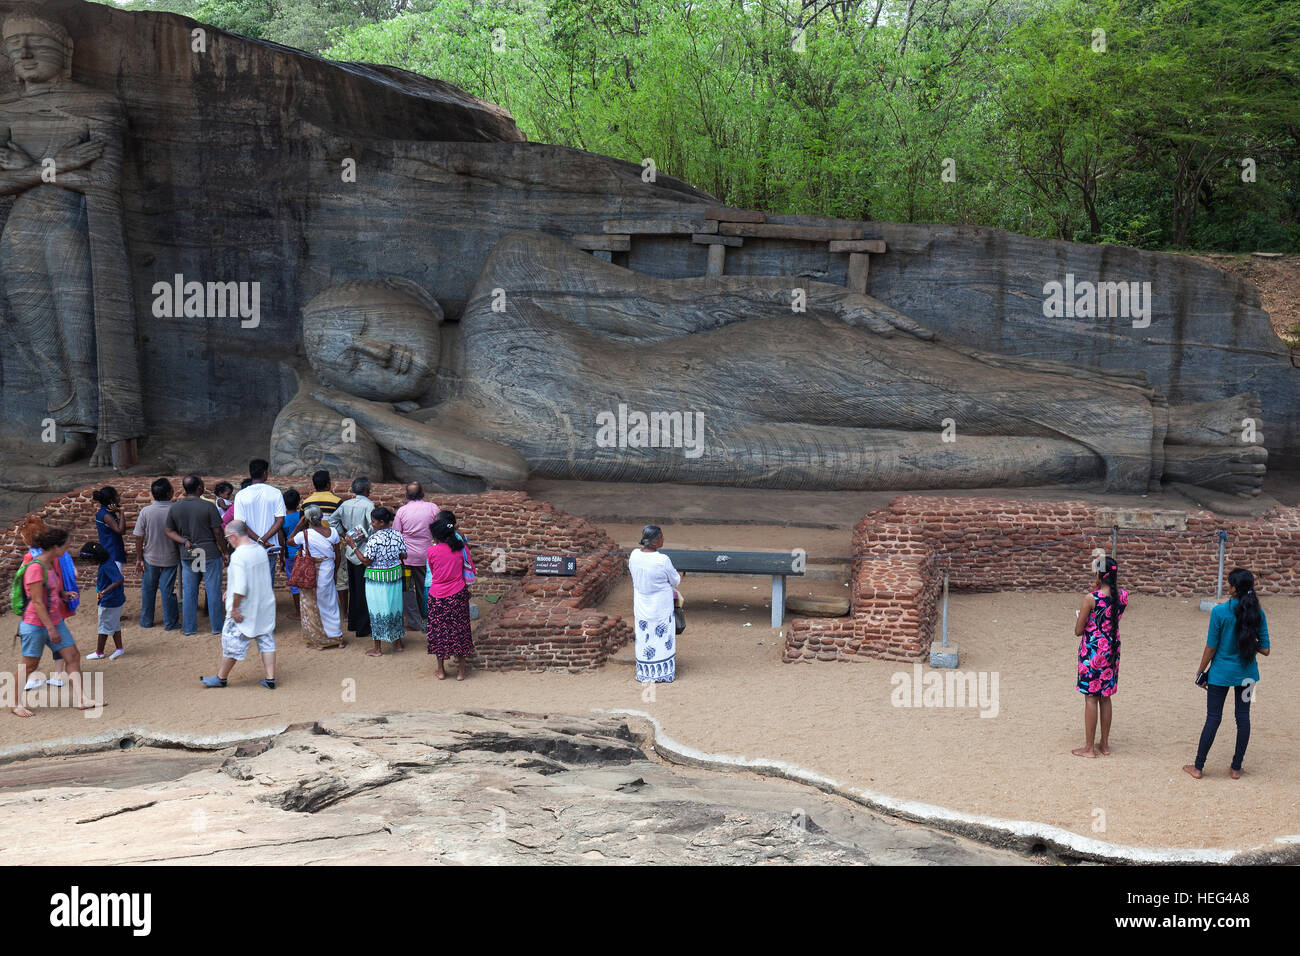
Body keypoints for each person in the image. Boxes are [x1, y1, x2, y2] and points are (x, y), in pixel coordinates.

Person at [1184, 568, 1271, 780]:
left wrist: (1200, 670)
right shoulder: (1258, 614)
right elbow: (1266, 649)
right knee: (1243, 718)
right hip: (1248, 676)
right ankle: (1235, 768)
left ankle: (1198, 766)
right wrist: (1249, 640)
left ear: (1233, 588)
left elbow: (1211, 647)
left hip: (1220, 674)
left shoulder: (1219, 612)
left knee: (1213, 718)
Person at [11, 527, 102, 717]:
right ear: (55, 547)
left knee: (73, 656)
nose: (68, 549)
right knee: (30, 664)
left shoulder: (51, 564)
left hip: (53, 620)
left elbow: (48, 592)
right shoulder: (36, 568)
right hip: (35, 624)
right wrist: (51, 629)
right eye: (66, 546)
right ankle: (15, 703)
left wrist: (63, 594)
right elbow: (36, 601)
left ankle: (82, 699)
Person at [202, 520, 277, 689]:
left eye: (227, 537)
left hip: (245, 607)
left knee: (233, 642)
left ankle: (221, 677)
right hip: (264, 604)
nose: (227, 540)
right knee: (266, 640)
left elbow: (241, 587)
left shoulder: (238, 556)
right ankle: (270, 678)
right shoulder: (260, 550)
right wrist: (231, 589)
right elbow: (256, 576)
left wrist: (235, 607)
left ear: (234, 536)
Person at [1071, 556, 1128, 758]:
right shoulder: (1123, 596)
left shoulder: (1091, 598)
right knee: (1105, 697)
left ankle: (1088, 748)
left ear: (1098, 574)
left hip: (1093, 650)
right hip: (1112, 649)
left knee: (1090, 698)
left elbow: (1079, 630)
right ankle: (1104, 744)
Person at [165, 474, 227, 636]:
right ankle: (217, 627)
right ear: (199, 487)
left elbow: (169, 531)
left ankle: (189, 627)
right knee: (213, 590)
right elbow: (218, 532)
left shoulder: (176, 507)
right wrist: (225, 552)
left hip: (190, 553)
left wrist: (183, 540)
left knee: (190, 591)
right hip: (209, 553)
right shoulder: (208, 506)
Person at [19, 516, 69, 689]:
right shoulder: (53, 557)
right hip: (54, 605)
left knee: (31, 655)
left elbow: (35, 597)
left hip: (37, 612)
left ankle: (32, 679)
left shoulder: (30, 559)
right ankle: (57, 674)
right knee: (62, 646)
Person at [628, 525, 682, 683]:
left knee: (645, 637)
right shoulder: (662, 560)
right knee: (662, 637)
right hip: (660, 606)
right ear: (654, 541)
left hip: (641, 604)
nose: (663, 539)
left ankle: (645, 672)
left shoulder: (634, 555)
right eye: (661, 537)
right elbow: (675, 580)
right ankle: (663, 673)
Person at [350, 506, 406, 656]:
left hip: (377, 579)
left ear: (381, 522)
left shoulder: (374, 538)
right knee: (395, 608)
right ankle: (398, 643)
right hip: (394, 576)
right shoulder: (397, 534)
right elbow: (404, 555)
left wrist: (353, 546)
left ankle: (378, 649)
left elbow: (366, 561)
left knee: (377, 611)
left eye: (373, 522)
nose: (372, 524)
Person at [425, 514, 474, 680]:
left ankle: (441, 670)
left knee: (438, 632)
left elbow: (433, 571)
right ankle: (461, 671)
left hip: (437, 596)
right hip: (458, 594)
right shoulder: (461, 548)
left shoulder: (431, 551)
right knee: (460, 631)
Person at [291, 505, 346, 650]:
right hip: (328, 569)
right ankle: (337, 637)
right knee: (330, 603)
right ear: (321, 516)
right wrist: (334, 572)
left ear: (307, 519)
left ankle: (320, 640)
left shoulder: (305, 534)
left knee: (311, 604)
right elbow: (338, 554)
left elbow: (290, 541)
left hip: (311, 572)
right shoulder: (333, 532)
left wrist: (299, 525)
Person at [329, 476, 374, 639]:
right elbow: (373, 525)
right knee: (363, 589)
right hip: (364, 551)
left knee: (354, 588)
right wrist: (363, 536)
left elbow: (332, 521)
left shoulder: (345, 504)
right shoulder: (369, 505)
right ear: (366, 490)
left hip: (350, 550)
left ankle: (353, 622)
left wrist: (345, 535)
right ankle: (363, 627)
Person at [132, 477, 179, 631]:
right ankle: (170, 623)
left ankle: (146, 621)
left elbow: (139, 536)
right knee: (167, 591)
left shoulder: (146, 511)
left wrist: (139, 558)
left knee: (148, 590)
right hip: (171, 558)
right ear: (168, 493)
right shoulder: (175, 510)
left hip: (150, 557)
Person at [233, 460, 285, 591]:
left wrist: (257, 539)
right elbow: (280, 521)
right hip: (269, 547)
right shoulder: (275, 493)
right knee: (267, 585)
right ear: (265, 473)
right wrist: (264, 539)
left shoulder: (241, 495)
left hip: (248, 546)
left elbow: (240, 523)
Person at [393, 482, 439, 630]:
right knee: (424, 588)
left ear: (406, 495)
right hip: (426, 557)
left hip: (406, 558)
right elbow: (440, 528)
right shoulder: (432, 508)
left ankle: (413, 621)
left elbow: (396, 534)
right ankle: (426, 617)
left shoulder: (402, 511)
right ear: (423, 494)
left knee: (406, 589)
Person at [81, 542, 125, 660]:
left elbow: (119, 579)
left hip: (109, 601)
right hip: (115, 600)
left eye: (90, 560)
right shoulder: (108, 562)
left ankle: (99, 652)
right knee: (115, 625)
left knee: (103, 627)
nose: (90, 563)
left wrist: (104, 591)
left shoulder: (106, 566)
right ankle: (119, 649)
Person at [92, 486, 127, 570]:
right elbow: (121, 530)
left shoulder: (107, 512)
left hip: (111, 551)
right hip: (112, 553)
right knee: (116, 580)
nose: (119, 498)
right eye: (117, 496)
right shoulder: (106, 515)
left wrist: (118, 511)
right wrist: (121, 512)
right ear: (111, 500)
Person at [281, 488, 303, 620]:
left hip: (290, 554)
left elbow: (281, 540)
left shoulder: (282, 520)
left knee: (294, 583)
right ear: (298, 502)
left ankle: (298, 612)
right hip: (304, 552)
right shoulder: (302, 516)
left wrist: (281, 557)